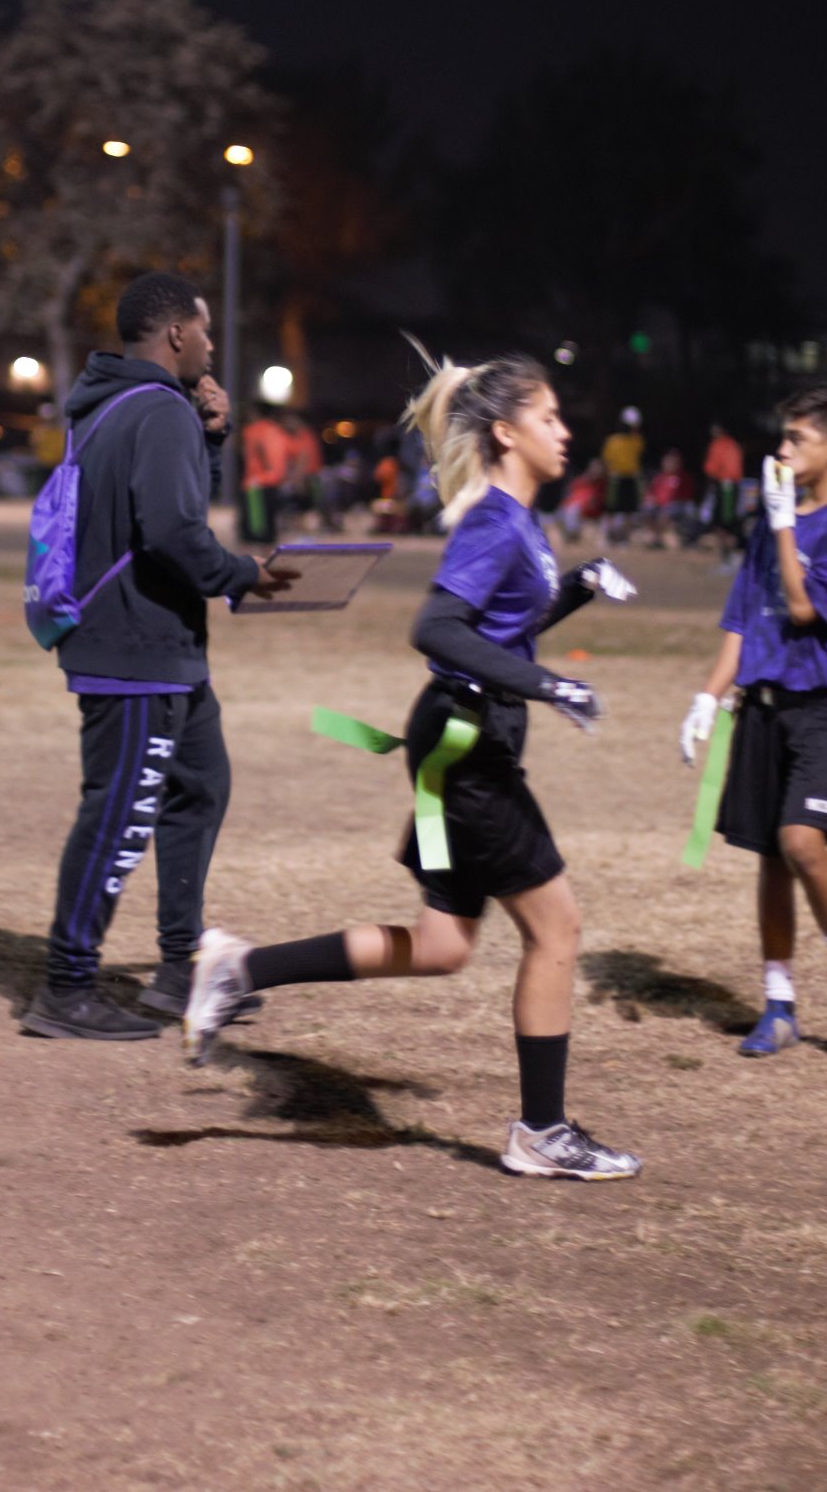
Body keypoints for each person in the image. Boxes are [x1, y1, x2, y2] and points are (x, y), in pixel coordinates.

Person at [182, 350, 640, 1180]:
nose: (565, 432)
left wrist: (580, 585)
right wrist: (550, 684)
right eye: (549, 418)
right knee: (558, 929)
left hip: (452, 749)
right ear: (507, 432)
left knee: (441, 944)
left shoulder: (519, 522)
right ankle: (541, 1132)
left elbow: (502, 624)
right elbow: (438, 629)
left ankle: (240, 967)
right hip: (466, 756)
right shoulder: (497, 522)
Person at [32, 272, 298, 1042]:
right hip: (137, 647)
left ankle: (180, 967)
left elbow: (166, 508)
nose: (212, 346)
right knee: (118, 814)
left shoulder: (116, 405)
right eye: (206, 332)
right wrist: (248, 575)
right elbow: (175, 537)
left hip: (152, 645)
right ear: (176, 334)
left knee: (199, 785)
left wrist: (210, 440)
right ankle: (66, 986)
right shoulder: (156, 408)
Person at [679, 382, 827, 1059]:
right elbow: (745, 620)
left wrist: (783, 525)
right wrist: (708, 697)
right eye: (783, 436)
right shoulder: (774, 521)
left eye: (796, 438)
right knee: (771, 859)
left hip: (825, 710)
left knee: (803, 843)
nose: (781, 449)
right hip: (763, 711)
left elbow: (803, 609)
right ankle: (778, 1004)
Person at [240, 410, 291, 545]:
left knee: (254, 532)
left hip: (256, 483)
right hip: (274, 481)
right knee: (269, 530)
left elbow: (253, 451)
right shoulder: (278, 431)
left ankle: (255, 563)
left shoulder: (254, 430)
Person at [702, 421, 747, 561]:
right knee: (727, 521)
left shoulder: (719, 445)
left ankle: (728, 555)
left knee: (724, 522)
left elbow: (711, 468)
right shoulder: (733, 444)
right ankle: (727, 555)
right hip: (733, 486)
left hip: (725, 486)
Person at [600, 407, 645, 545]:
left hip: (630, 478)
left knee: (629, 511)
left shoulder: (637, 440)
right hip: (616, 478)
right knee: (611, 509)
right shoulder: (613, 441)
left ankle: (623, 538)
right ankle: (609, 536)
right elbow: (606, 461)